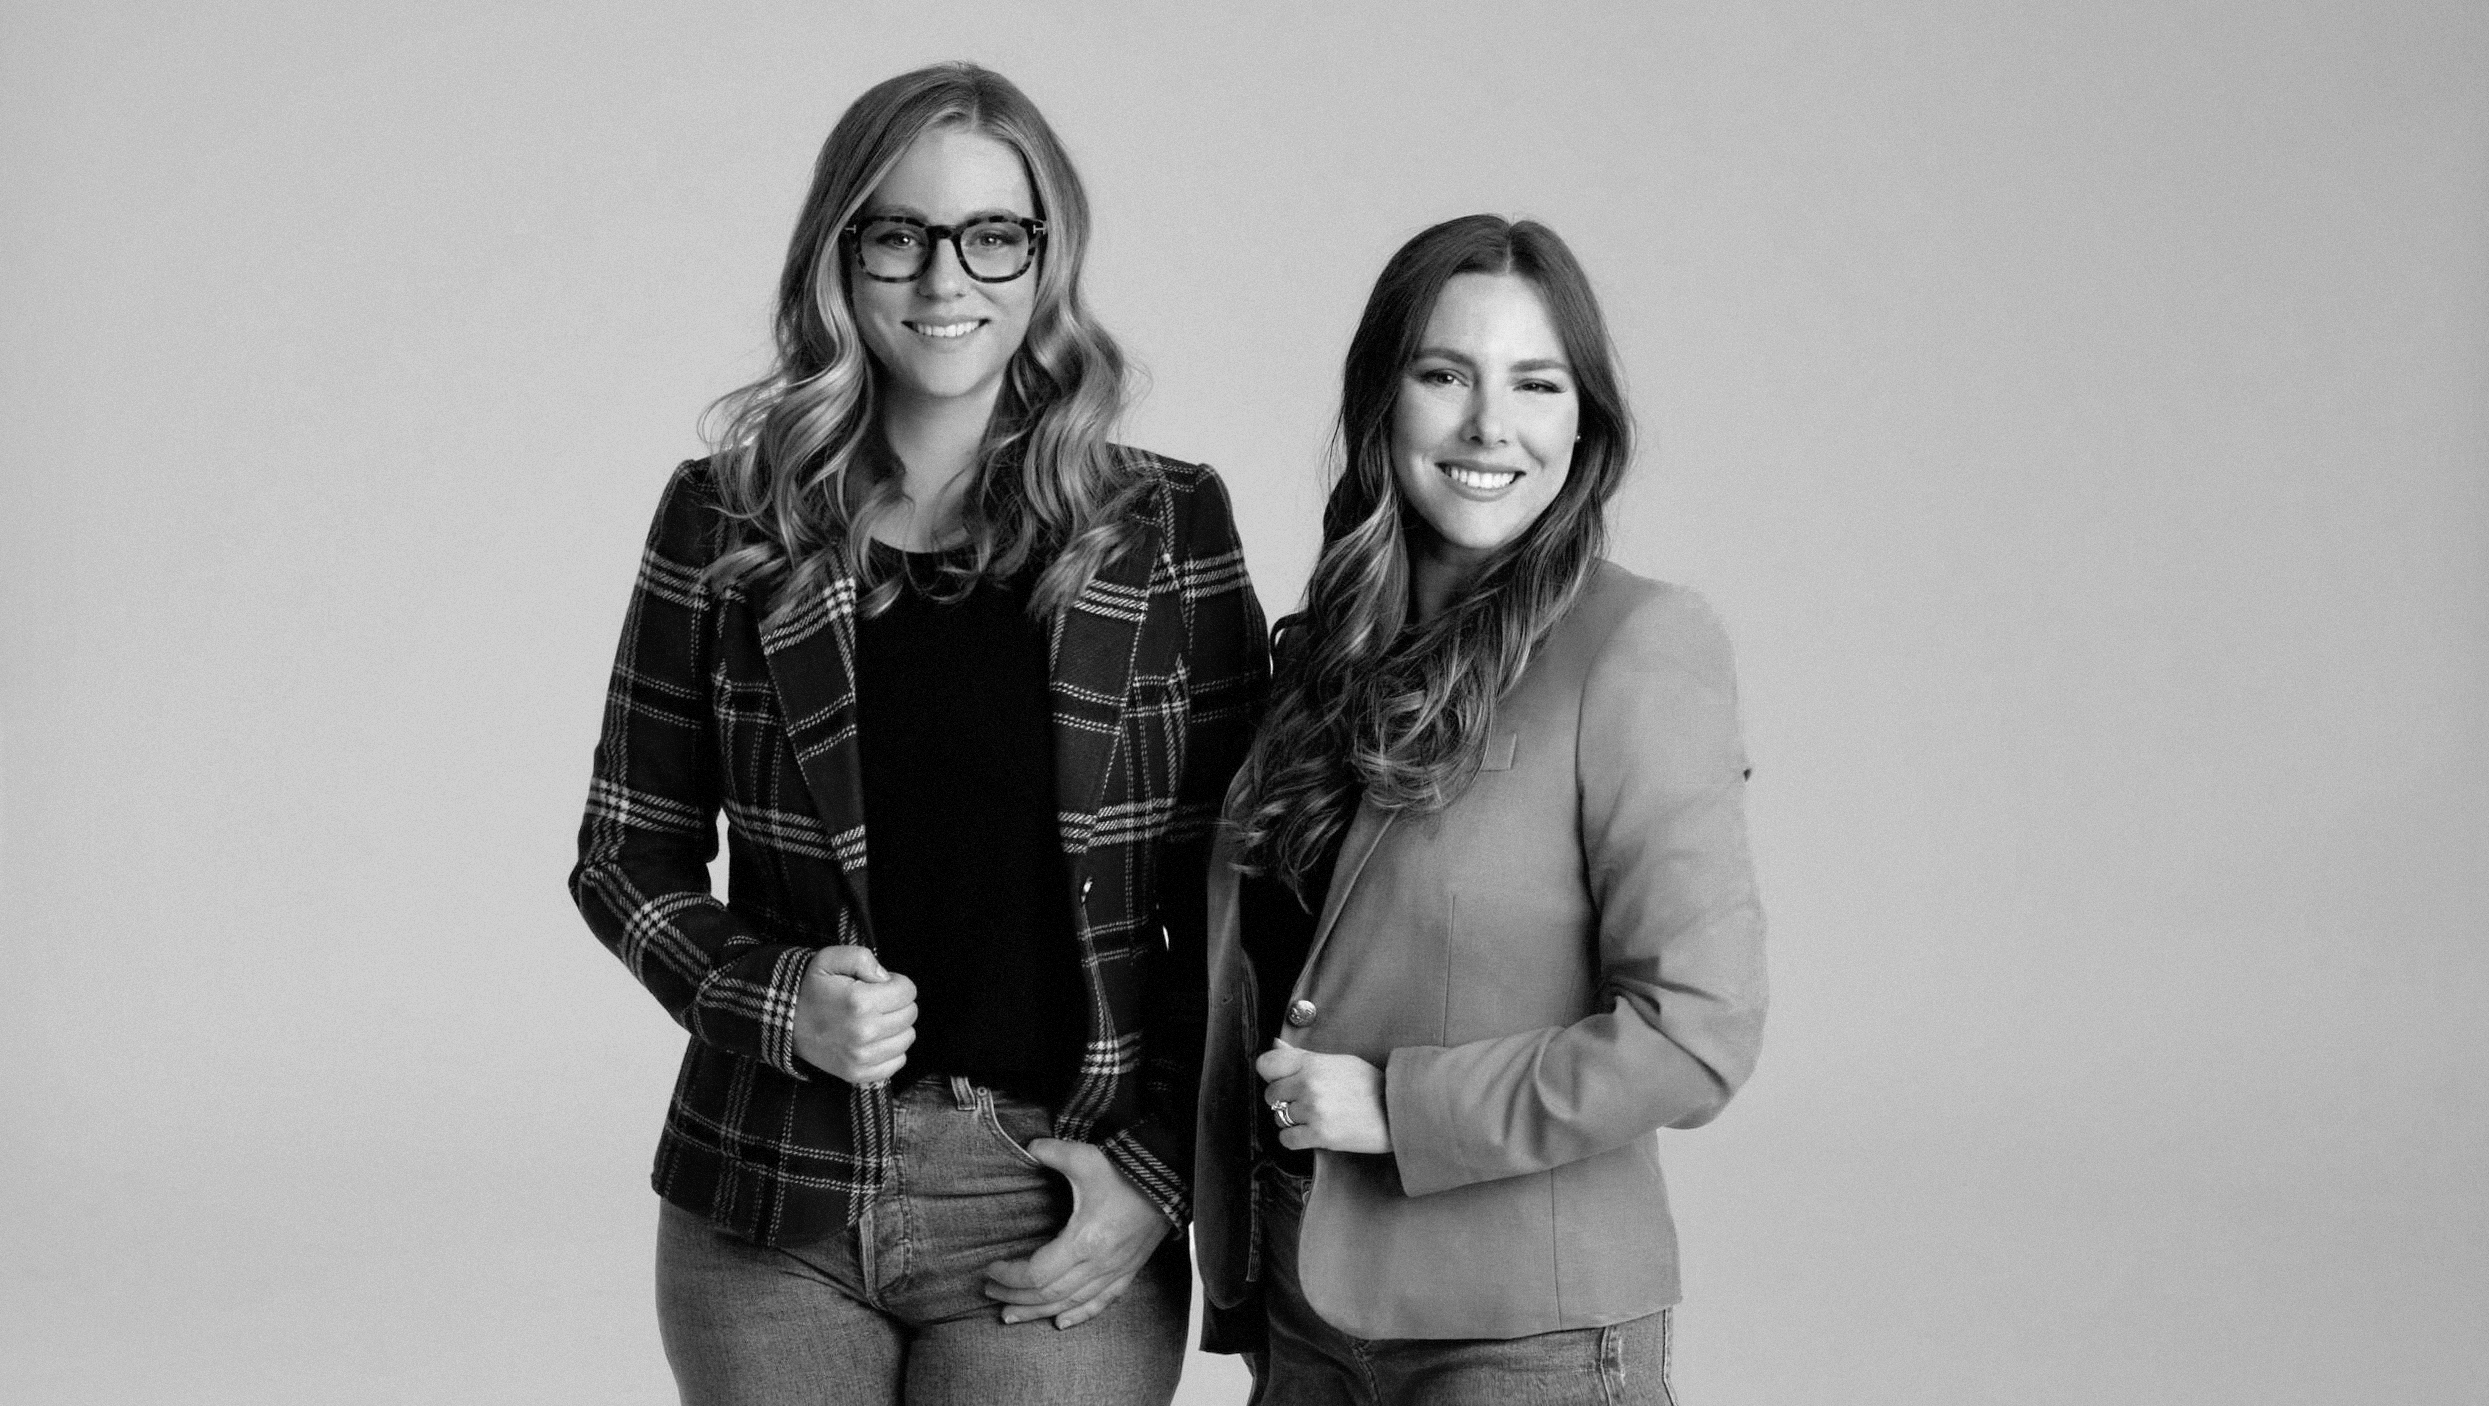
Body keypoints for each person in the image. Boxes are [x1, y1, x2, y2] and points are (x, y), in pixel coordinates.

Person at [570, 63, 1265, 1406]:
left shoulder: (1165, 531)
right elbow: (624, 851)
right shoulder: (728, 516)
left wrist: (1157, 1173)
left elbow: (1239, 900)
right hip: (772, 1195)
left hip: (1055, 1192)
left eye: (991, 235)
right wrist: (779, 1000)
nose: (946, 279)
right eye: (899, 233)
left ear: (1045, 256)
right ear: (843, 255)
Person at [1194, 215, 1768, 1405]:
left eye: (1535, 383)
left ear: (1581, 423)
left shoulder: (1639, 646)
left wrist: (1400, 1106)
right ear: (1381, 403)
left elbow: (1696, 1030)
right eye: (1444, 373)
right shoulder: (1317, 661)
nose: (1487, 426)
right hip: (1305, 1313)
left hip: (1524, 1339)